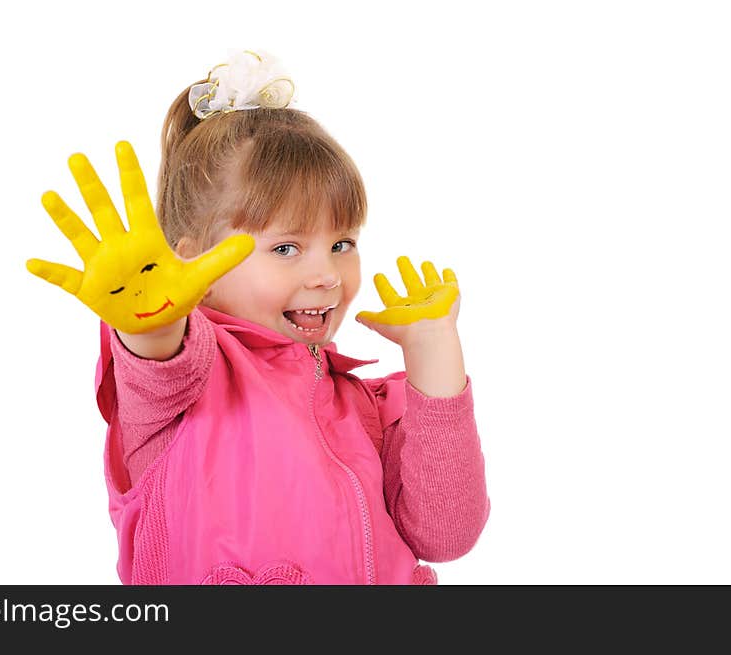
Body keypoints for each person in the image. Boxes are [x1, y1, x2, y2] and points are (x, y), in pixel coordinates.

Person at [27, 49, 489, 585]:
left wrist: (434, 355)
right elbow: (160, 358)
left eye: (342, 242)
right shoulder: (184, 379)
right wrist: (149, 317)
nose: (328, 275)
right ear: (193, 261)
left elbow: (446, 537)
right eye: (287, 248)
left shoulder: (364, 405)